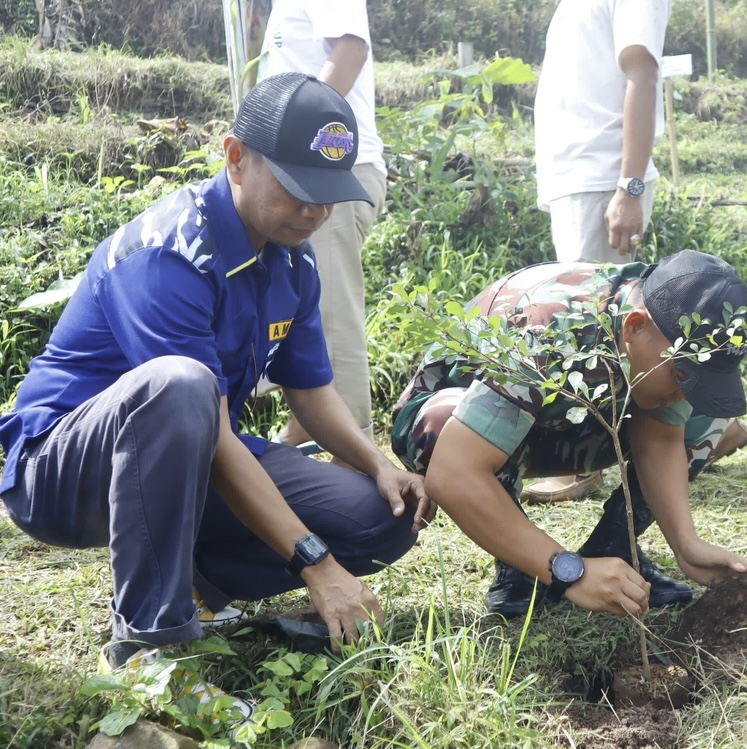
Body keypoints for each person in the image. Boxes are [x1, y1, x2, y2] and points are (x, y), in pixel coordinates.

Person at [0, 75, 431, 690]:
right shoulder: (169, 254)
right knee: (181, 384)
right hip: (64, 473)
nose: (315, 211)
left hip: (189, 457)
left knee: (382, 516)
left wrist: (376, 463)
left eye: (328, 195)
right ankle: (147, 646)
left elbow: (306, 388)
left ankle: (203, 583)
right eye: (296, 188)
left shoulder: (293, 256)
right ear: (235, 158)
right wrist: (315, 563)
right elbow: (206, 423)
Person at [391, 250, 747, 619]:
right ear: (635, 326)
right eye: (682, 375)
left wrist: (686, 545)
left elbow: (662, 436)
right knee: (441, 422)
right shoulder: (548, 332)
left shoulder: (656, 335)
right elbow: (453, 473)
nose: (683, 391)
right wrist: (568, 572)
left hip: (566, 420)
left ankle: (615, 548)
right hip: (461, 431)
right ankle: (520, 563)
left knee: (704, 413)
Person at [528, 0, 747, 501]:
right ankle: (719, 421)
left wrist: (628, 185)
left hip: (602, 172)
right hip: (582, 171)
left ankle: (579, 464)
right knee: (615, 325)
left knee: (595, 325)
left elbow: (643, 74)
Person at [258, 0, 388, 451]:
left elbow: (349, 52)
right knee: (304, 310)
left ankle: (356, 461)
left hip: (325, 169)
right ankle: (307, 427)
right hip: (307, 168)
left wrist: (287, 140)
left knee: (334, 321)